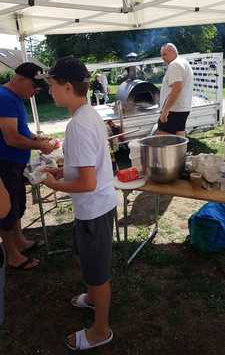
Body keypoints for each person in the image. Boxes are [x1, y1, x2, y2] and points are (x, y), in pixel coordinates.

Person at [41, 56, 117, 351]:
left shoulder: (79, 126)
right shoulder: (87, 115)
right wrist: (63, 171)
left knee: (98, 273)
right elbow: (87, 168)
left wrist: (52, 184)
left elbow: (87, 183)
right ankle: (93, 299)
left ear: (68, 86)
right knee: (88, 261)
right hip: (95, 207)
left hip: (94, 208)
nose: (50, 92)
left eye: (52, 85)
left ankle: (101, 330)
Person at [0, 63, 55, 270]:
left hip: (14, 163)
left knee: (16, 205)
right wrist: (39, 145)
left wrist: (34, 137)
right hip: (4, 163)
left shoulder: (13, 97)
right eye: (34, 87)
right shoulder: (4, 98)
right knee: (6, 210)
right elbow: (11, 138)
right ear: (20, 78)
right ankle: (12, 254)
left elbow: (20, 129)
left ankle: (20, 241)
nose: (34, 93)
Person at [156, 43, 193, 136]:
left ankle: (171, 151)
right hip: (182, 109)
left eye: (164, 54)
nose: (162, 57)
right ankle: (181, 151)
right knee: (179, 137)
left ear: (172, 52)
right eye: (161, 55)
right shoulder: (183, 62)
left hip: (174, 110)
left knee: (162, 138)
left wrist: (165, 111)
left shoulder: (174, 65)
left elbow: (177, 88)